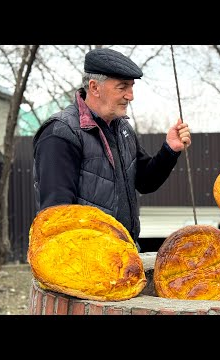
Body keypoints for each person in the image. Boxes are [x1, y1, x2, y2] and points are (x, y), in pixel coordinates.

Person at [33, 48, 191, 250]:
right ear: (94, 87)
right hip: (86, 263)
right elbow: (57, 215)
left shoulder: (122, 128)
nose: (130, 96)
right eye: (122, 87)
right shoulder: (61, 133)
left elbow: (145, 182)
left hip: (123, 256)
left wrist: (170, 150)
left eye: (132, 87)